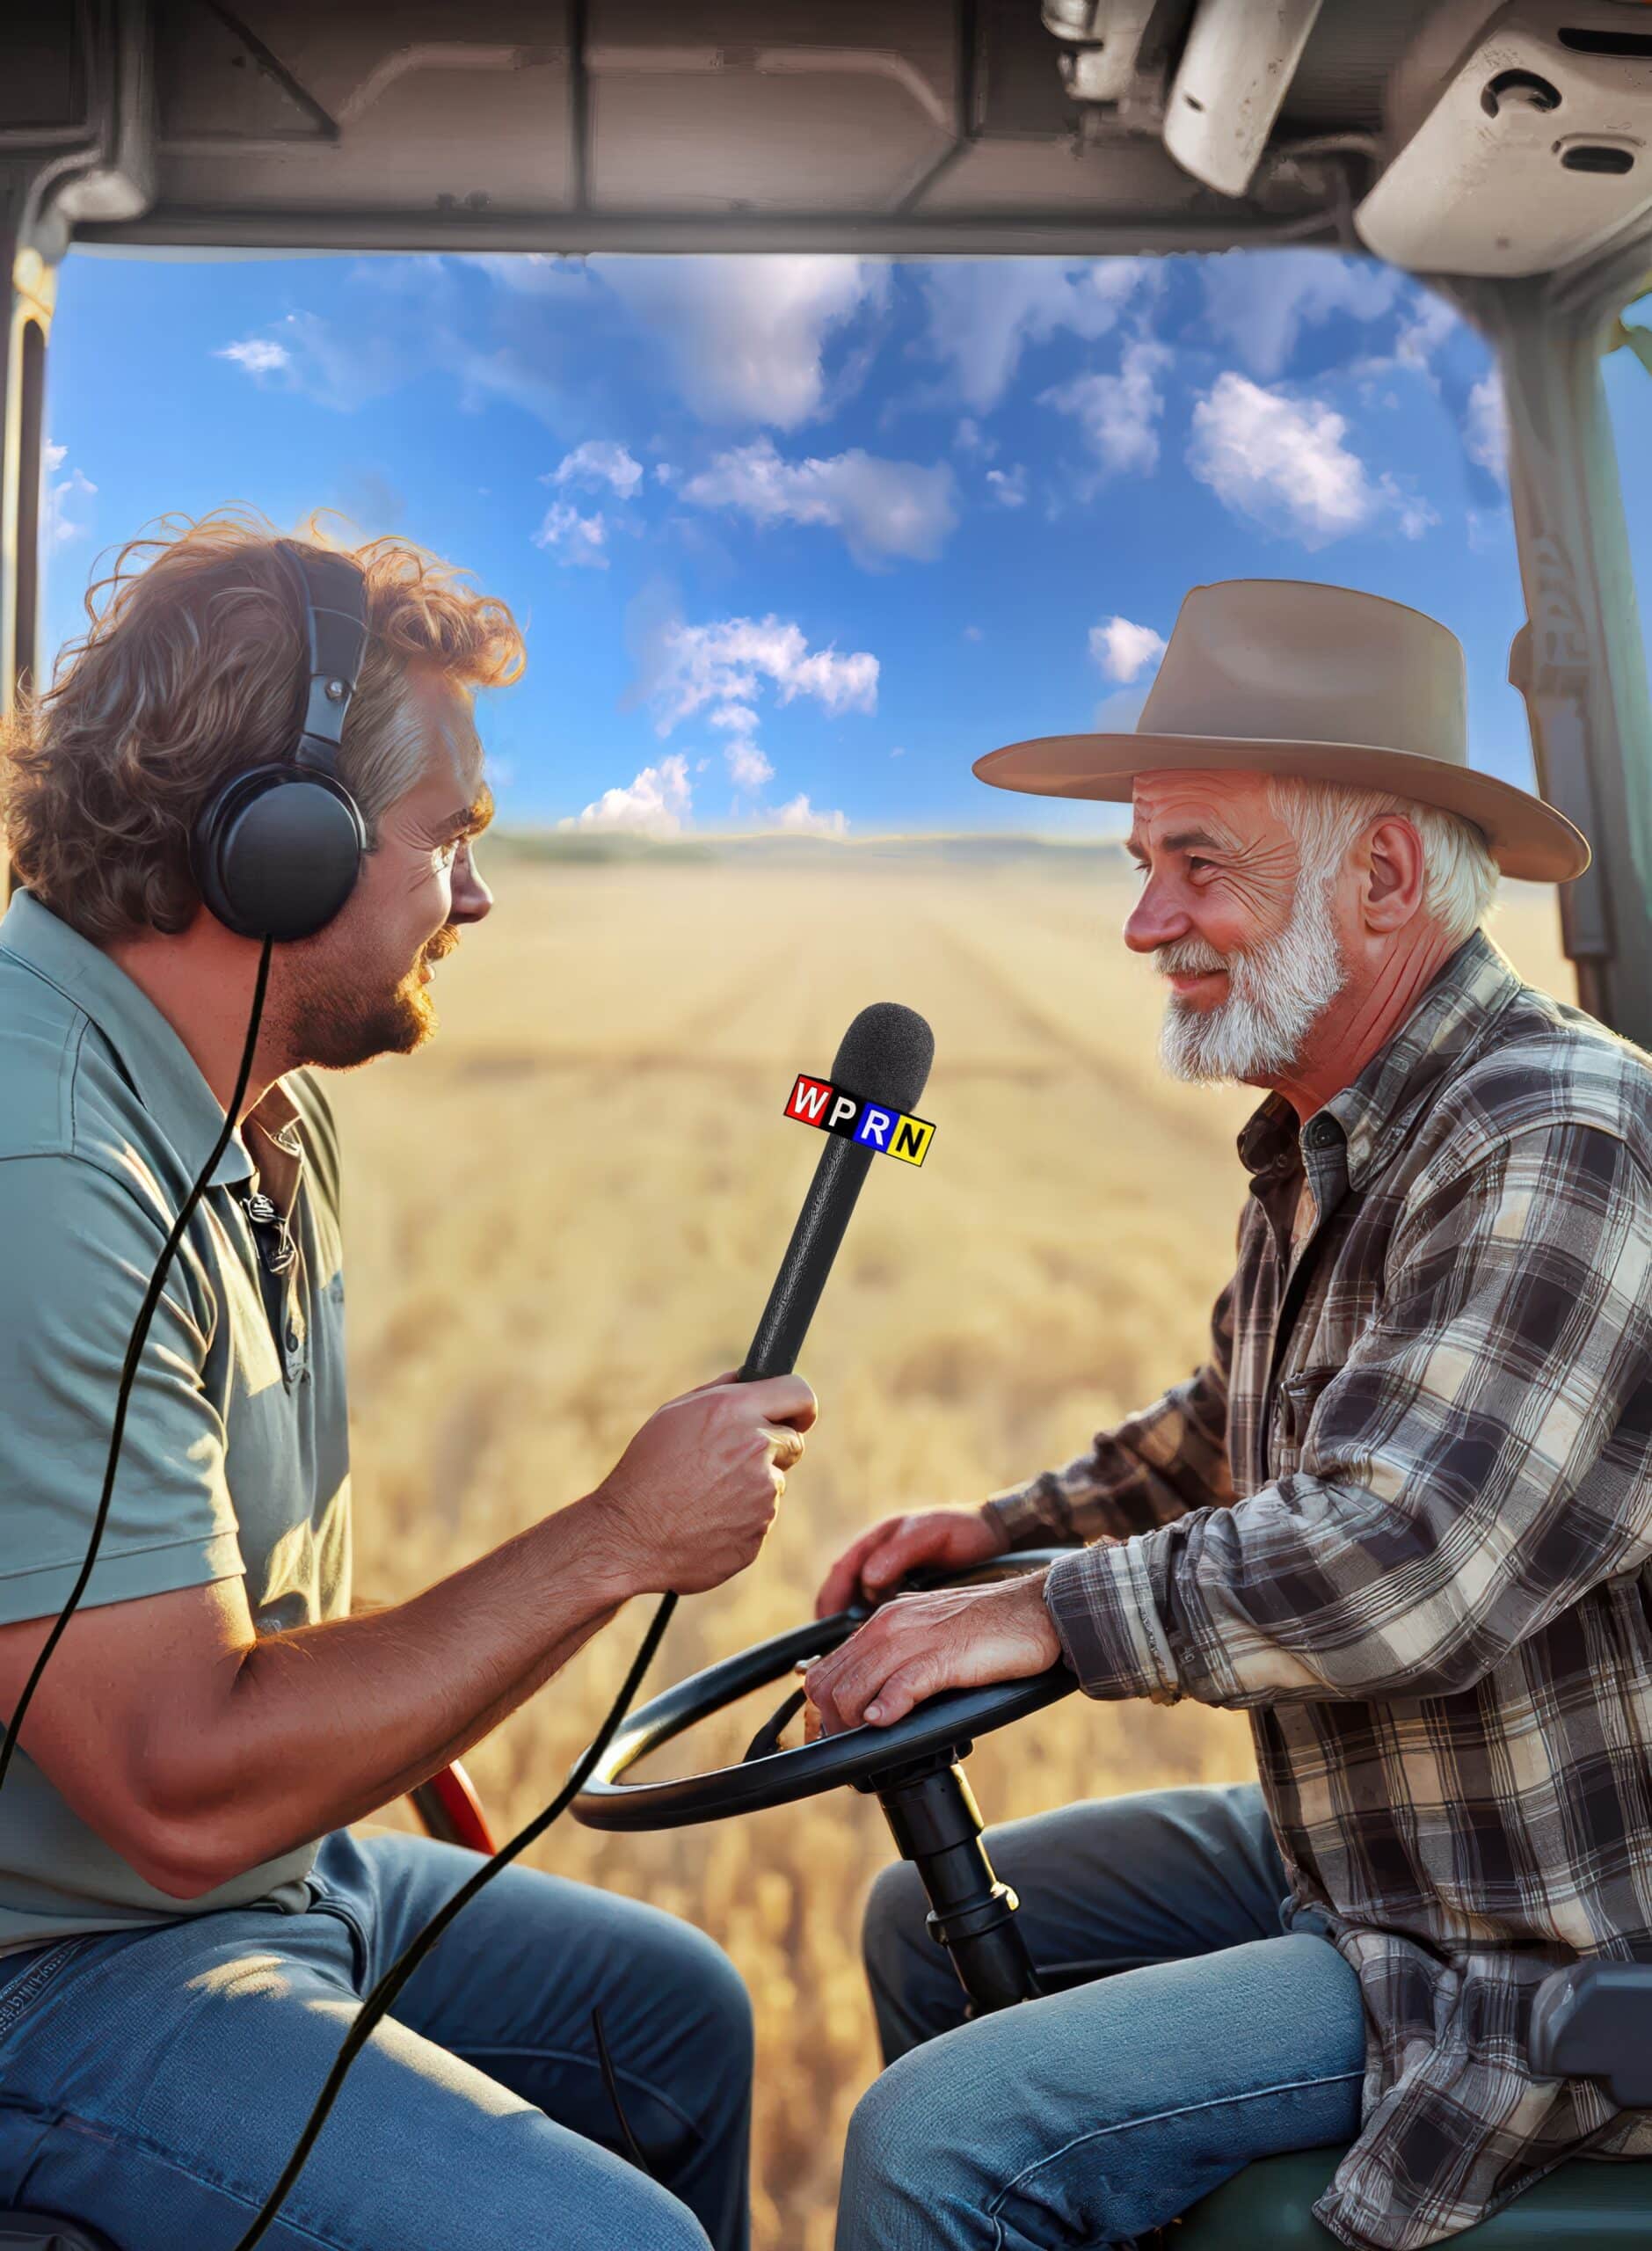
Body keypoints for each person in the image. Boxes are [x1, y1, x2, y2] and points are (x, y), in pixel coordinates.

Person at [0, 513, 815, 2251]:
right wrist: (614, 1537)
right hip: (55, 1957)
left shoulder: (266, 1108)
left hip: (249, 1885)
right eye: (450, 836)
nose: (480, 892)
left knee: (673, 2015)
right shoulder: (51, 1177)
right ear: (275, 847)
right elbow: (168, 1784)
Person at [810, 579, 1652, 2251]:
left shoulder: (1559, 1137)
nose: (1144, 923)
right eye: (1146, 866)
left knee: (935, 2143)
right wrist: (1000, 1537)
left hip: (1537, 1946)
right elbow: (1234, 1424)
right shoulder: (1334, 1131)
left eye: (1200, 867)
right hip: (1364, 1849)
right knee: (928, 1921)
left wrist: (1043, 1614)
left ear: (1386, 875)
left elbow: (1409, 1554)